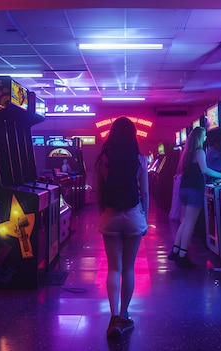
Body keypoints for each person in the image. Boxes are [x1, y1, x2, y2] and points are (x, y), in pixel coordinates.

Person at [95, 116, 149, 339]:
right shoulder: (140, 159)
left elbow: (99, 191)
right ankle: (125, 314)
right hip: (133, 213)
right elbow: (144, 192)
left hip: (111, 214)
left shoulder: (103, 159)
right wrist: (143, 217)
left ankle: (114, 316)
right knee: (128, 268)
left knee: (113, 268)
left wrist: (103, 212)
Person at [169, 127, 221, 268]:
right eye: (203, 136)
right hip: (194, 189)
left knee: (184, 221)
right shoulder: (199, 151)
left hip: (184, 189)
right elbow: (204, 170)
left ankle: (175, 251)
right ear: (199, 137)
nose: (205, 138)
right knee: (190, 223)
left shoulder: (187, 153)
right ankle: (183, 256)